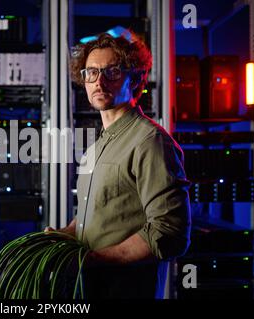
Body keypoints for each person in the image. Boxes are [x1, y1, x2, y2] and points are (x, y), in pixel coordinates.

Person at [46, 32, 191, 299]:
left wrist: (94, 259)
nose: (99, 81)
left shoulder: (150, 141)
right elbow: (102, 211)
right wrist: (66, 234)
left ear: (134, 78)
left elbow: (169, 232)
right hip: (88, 289)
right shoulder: (97, 145)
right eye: (91, 72)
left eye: (112, 72)